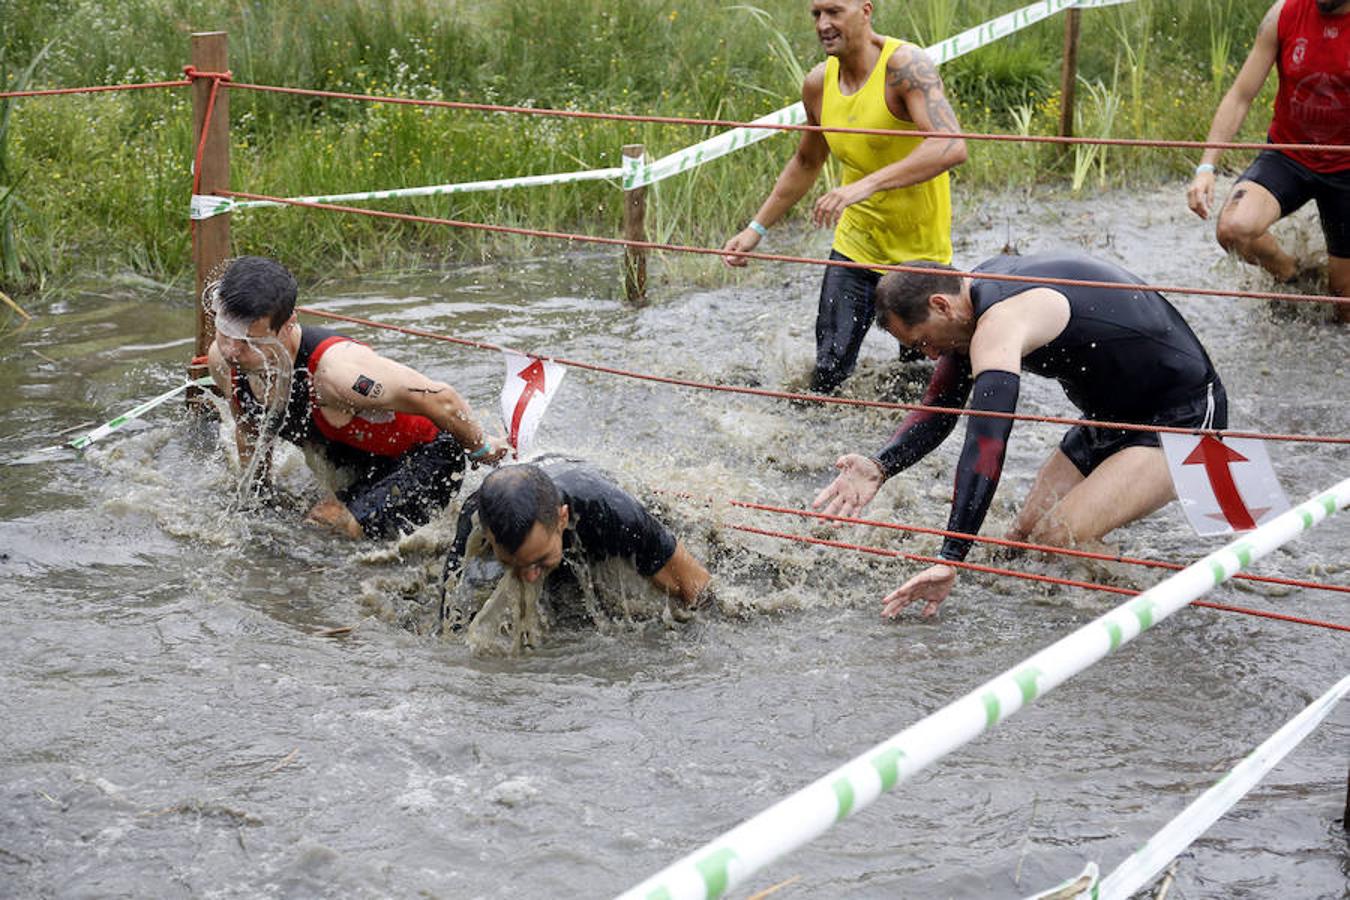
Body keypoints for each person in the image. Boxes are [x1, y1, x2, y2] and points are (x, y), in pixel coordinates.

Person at [812, 252, 1228, 619]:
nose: (931, 355)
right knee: (1022, 539)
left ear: (940, 304)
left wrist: (949, 558)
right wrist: (881, 466)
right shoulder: (967, 302)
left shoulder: (1001, 321)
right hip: (1110, 415)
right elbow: (942, 409)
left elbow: (987, 440)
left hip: (1182, 417)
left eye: (923, 342)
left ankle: (1183, 603)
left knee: (1058, 541)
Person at [721, 0, 967, 392]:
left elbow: (952, 145)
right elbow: (806, 161)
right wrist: (756, 229)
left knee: (918, 383)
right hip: (856, 247)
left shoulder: (904, 66)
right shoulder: (818, 83)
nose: (823, 24)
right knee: (829, 375)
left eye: (834, 11)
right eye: (816, 14)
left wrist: (864, 185)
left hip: (920, 258)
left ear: (865, 10)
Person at [205, 255, 508, 539]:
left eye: (249, 341)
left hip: (427, 459)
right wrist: (256, 496)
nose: (232, 350)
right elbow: (249, 428)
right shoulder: (223, 361)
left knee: (324, 528)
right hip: (357, 464)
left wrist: (481, 447)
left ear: (287, 327)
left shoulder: (338, 376)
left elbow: (441, 399)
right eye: (224, 332)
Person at [1186, 0, 1350, 323]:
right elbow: (1240, 95)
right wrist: (1206, 167)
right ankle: (1292, 275)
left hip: (1346, 169)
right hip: (1289, 154)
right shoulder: (1284, 14)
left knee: (1344, 308)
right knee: (1233, 228)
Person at [440, 459, 711, 635]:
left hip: (590, 484)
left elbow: (695, 586)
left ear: (563, 518)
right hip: (534, 479)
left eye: (539, 561)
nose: (530, 576)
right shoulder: (476, 521)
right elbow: (451, 616)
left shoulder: (614, 513)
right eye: (513, 563)